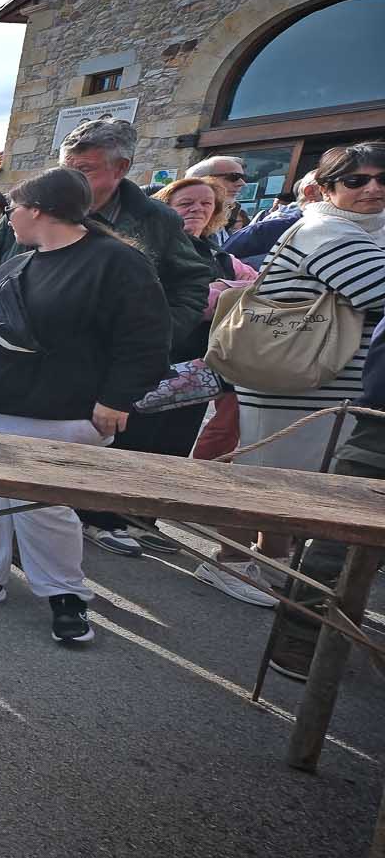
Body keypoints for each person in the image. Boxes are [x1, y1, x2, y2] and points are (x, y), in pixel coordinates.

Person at [0, 167, 171, 645]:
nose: (9, 218)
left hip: (56, 413)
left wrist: (117, 398)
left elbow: (145, 338)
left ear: (37, 210)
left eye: (13, 209)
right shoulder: (18, 262)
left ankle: (65, 594)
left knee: (44, 508)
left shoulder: (116, 262)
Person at [0, 117, 211, 557]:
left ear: (121, 168)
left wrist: (153, 338)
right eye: (68, 168)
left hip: (85, 376)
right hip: (7, 371)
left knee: (54, 484)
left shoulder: (153, 222)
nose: (73, 179)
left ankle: (64, 561)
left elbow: (190, 284)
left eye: (86, 170)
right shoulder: (31, 209)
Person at [229, 142, 385, 678]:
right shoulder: (327, 230)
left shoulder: (362, 231)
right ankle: (233, 563)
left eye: (383, 179)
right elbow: (377, 290)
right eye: (356, 180)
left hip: (326, 380)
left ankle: (271, 564)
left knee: (298, 487)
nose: (373, 188)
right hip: (297, 381)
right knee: (280, 485)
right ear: (328, 189)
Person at [150, 175, 268, 606]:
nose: (196, 210)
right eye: (186, 202)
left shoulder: (220, 256)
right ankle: (104, 516)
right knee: (137, 433)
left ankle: (143, 514)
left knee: (176, 438)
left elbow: (260, 289)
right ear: (166, 206)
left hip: (201, 364)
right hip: (154, 353)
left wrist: (226, 292)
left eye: (205, 204)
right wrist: (220, 296)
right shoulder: (153, 248)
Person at [221, 169, 326, 267]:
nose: (242, 183)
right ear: (310, 192)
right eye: (233, 177)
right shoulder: (268, 230)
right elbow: (218, 264)